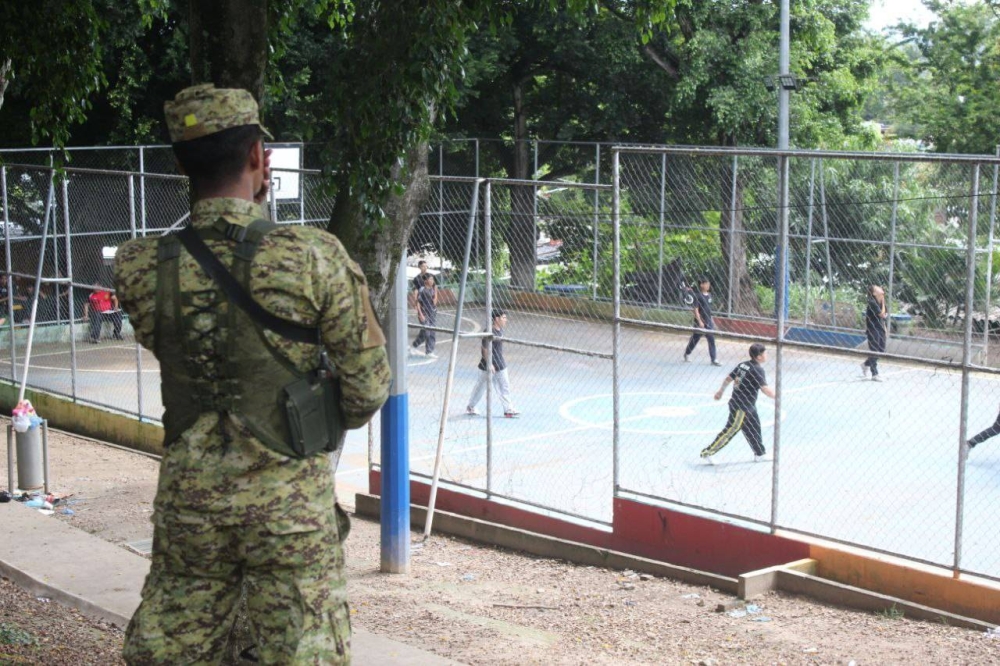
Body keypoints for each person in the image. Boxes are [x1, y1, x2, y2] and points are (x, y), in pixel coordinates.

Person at [113, 83, 390, 665]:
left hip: (191, 506)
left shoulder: (141, 267)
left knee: (174, 649)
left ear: (184, 164)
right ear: (257, 157)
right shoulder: (313, 256)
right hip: (289, 511)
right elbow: (368, 388)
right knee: (302, 649)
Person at [700, 342, 776, 464]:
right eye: (765, 353)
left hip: (747, 405)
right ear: (758, 356)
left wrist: (721, 391)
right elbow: (764, 389)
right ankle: (707, 452)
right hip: (742, 407)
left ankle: (760, 454)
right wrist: (777, 397)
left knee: (754, 428)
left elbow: (728, 378)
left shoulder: (743, 365)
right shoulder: (757, 370)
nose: (767, 355)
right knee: (731, 429)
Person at [466, 308, 519, 417]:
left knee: (504, 386)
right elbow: (484, 348)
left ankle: (508, 409)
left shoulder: (500, 330)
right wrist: (489, 363)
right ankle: (471, 407)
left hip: (500, 363)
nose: (506, 320)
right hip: (488, 365)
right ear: (496, 319)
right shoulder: (489, 331)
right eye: (504, 318)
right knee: (480, 387)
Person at [683, 277, 721, 366]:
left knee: (711, 340)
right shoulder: (698, 296)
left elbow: (709, 311)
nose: (708, 285)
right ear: (702, 285)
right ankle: (687, 353)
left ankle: (714, 359)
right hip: (700, 321)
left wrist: (712, 321)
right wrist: (699, 321)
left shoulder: (710, 296)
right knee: (695, 339)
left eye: (708, 284)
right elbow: (695, 310)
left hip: (709, 321)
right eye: (706, 284)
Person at [862, 284, 887, 381]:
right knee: (874, 350)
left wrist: (883, 301)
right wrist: (883, 301)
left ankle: (866, 364)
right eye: (877, 288)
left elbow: (885, 314)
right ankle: (874, 374)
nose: (880, 288)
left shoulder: (881, 301)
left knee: (881, 350)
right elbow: (882, 314)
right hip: (873, 329)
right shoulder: (872, 302)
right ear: (874, 293)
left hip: (880, 328)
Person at [413, 273, 438, 357]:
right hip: (424, 313)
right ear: (425, 280)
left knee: (432, 332)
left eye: (433, 279)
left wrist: (435, 291)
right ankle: (414, 345)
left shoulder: (432, 289)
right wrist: (420, 314)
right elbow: (418, 303)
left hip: (432, 313)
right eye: (430, 279)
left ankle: (429, 351)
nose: (432, 281)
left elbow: (434, 302)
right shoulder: (422, 290)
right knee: (426, 332)